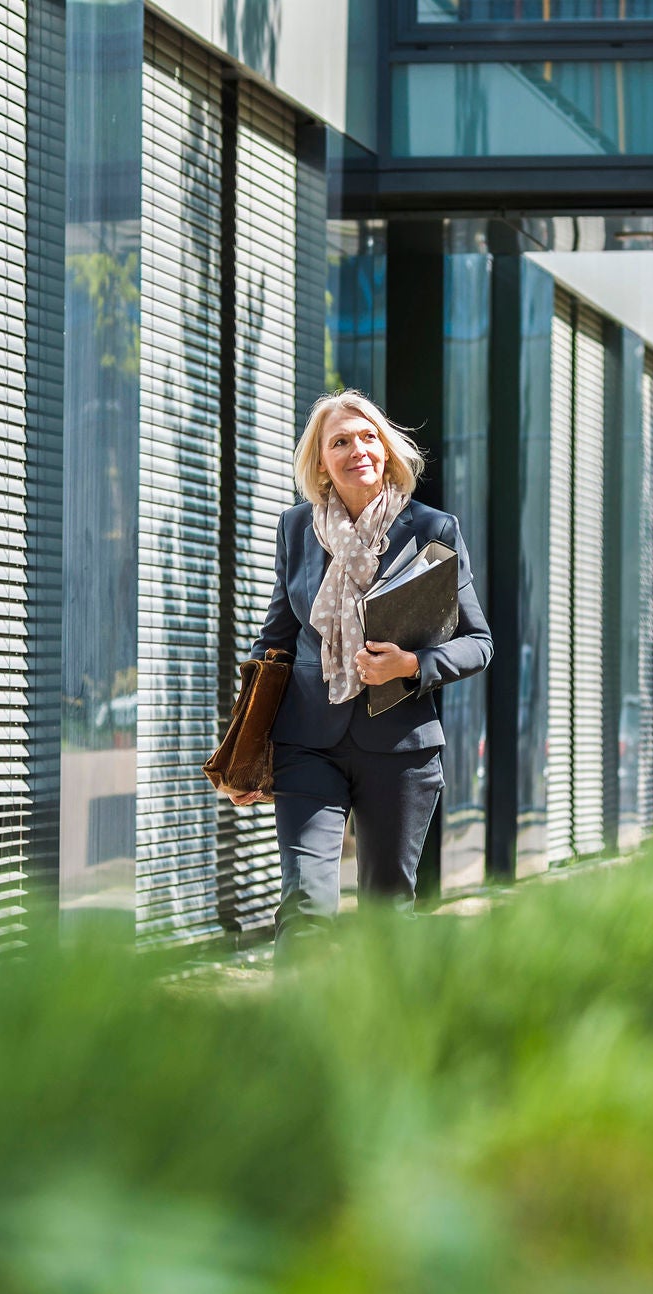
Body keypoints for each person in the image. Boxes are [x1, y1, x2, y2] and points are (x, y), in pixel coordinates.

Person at [233, 390, 492, 947]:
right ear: (321, 462)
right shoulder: (297, 529)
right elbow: (275, 640)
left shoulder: (432, 529)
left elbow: (479, 642)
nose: (357, 450)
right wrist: (245, 744)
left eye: (368, 436)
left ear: (388, 448)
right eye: (340, 441)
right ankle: (297, 1030)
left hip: (401, 748)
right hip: (308, 742)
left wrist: (413, 664)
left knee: (385, 917)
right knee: (304, 904)